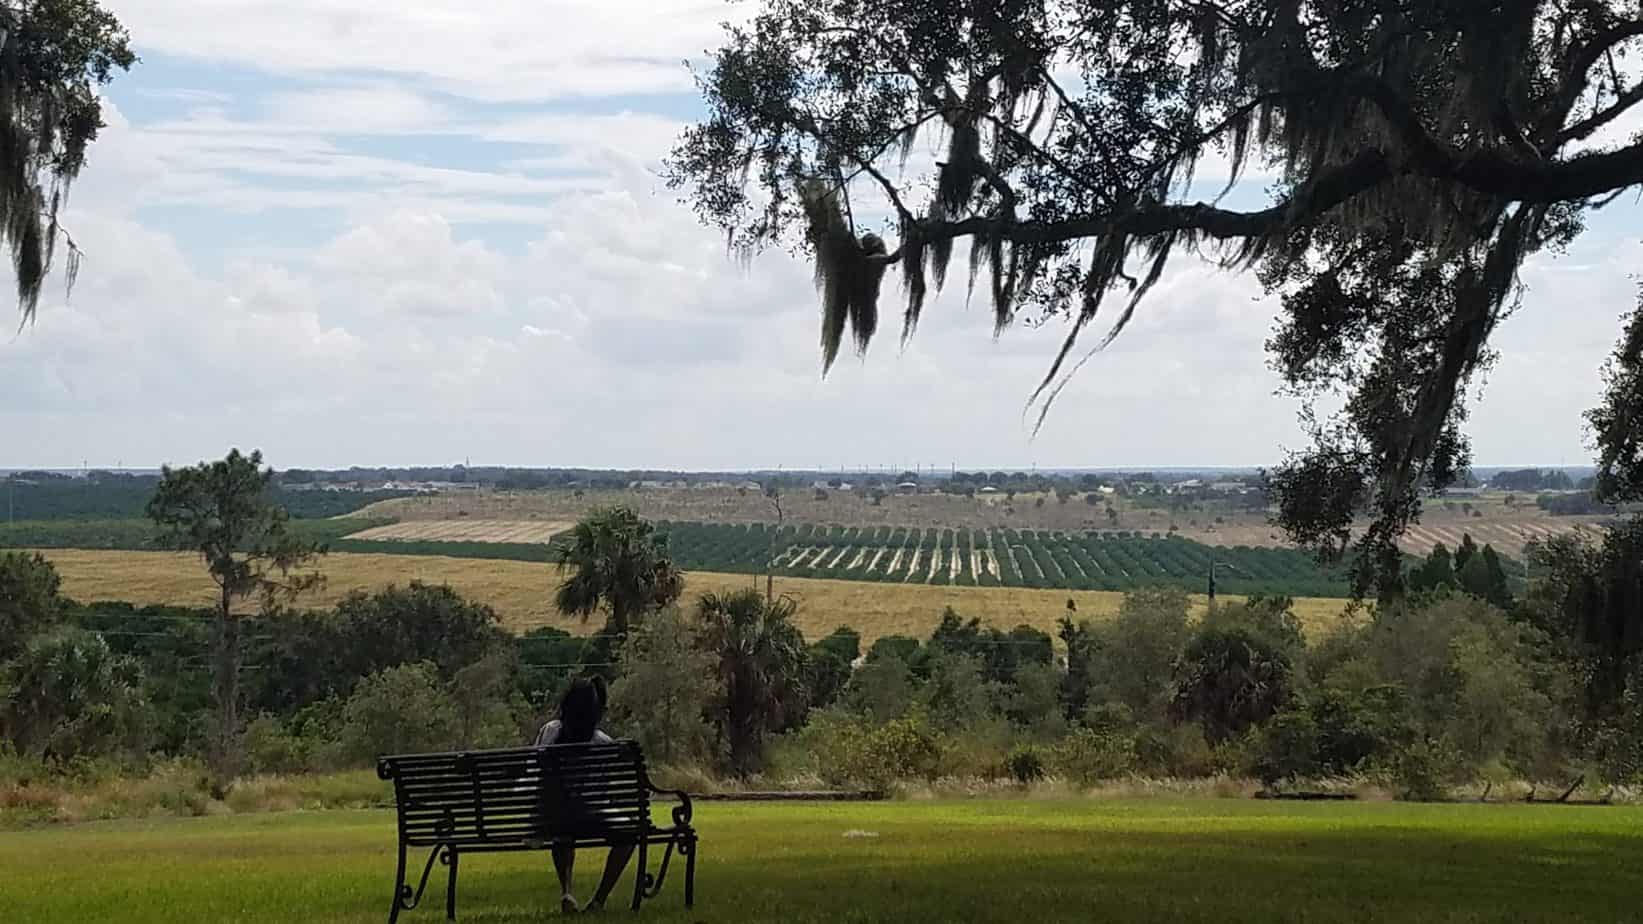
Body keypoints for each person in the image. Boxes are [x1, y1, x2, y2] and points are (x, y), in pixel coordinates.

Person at [535, 676, 634, 914]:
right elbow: (607, 790)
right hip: (591, 820)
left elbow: (534, 773)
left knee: (563, 831)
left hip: (553, 820)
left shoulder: (549, 732)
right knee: (629, 835)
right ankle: (598, 900)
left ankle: (567, 892)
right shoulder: (604, 743)